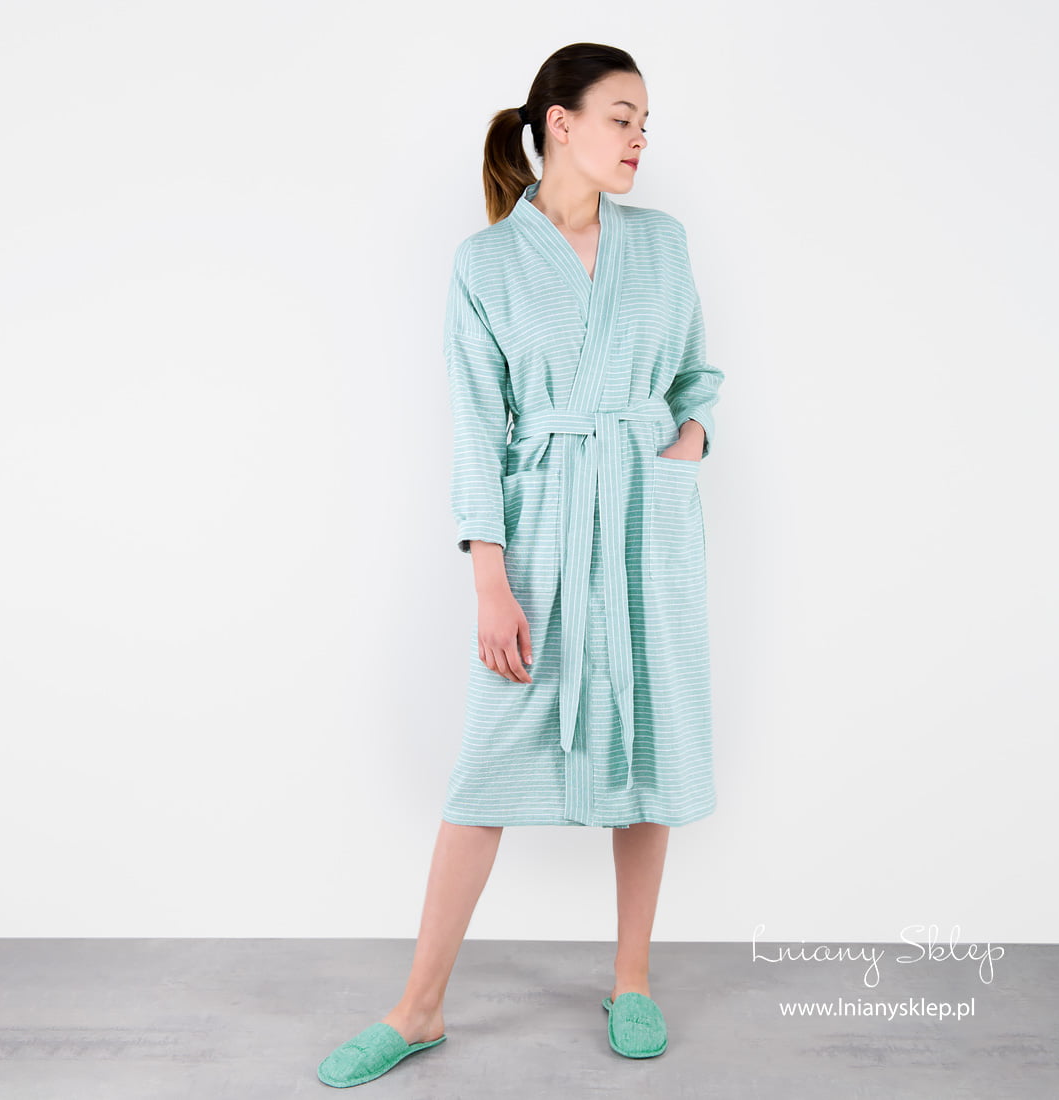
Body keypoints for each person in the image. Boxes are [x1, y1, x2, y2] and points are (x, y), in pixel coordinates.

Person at [317, 42, 724, 1088]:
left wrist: (686, 445)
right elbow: (474, 429)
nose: (639, 139)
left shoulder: (661, 242)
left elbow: (694, 375)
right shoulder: (485, 263)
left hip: (646, 520)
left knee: (644, 743)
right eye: (622, 117)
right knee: (485, 768)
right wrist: (489, 579)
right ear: (559, 123)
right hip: (540, 528)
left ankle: (630, 979)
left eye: (646, 123)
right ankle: (417, 1007)